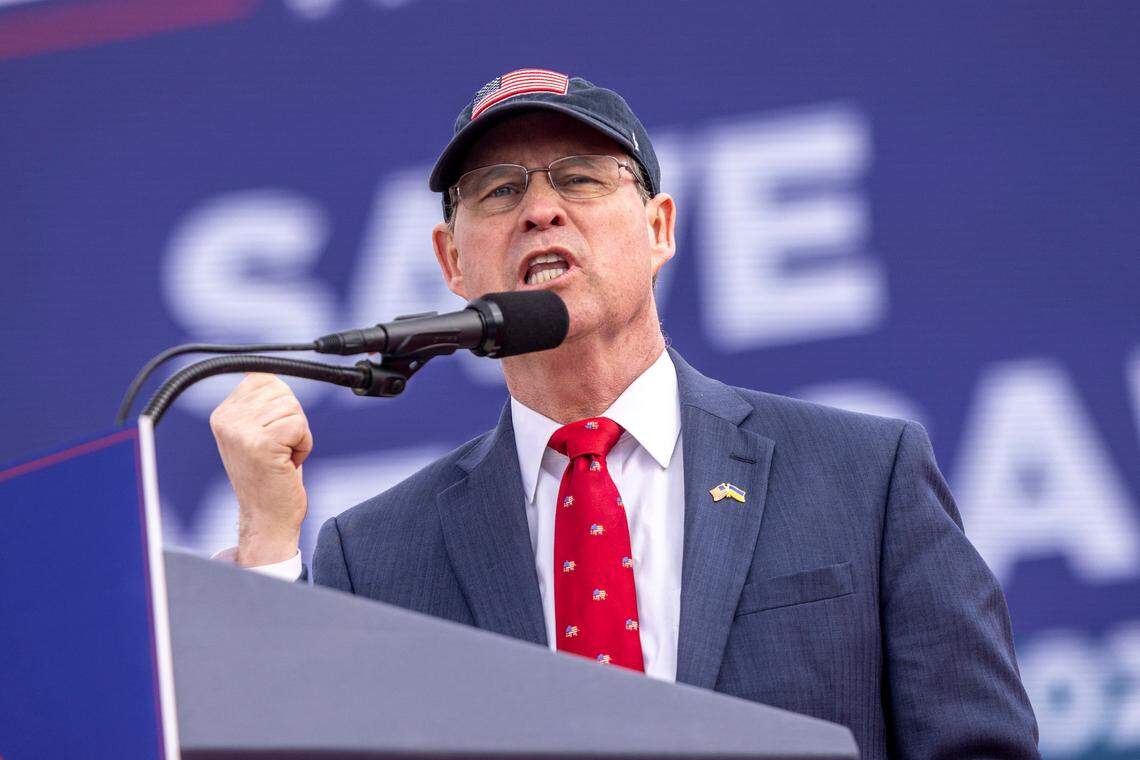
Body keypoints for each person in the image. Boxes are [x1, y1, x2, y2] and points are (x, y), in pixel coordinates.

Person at [209, 69, 1040, 758]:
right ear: (451, 260)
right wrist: (268, 549)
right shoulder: (377, 554)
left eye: (578, 178)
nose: (540, 209)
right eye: (498, 190)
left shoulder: (865, 476)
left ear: (659, 227)